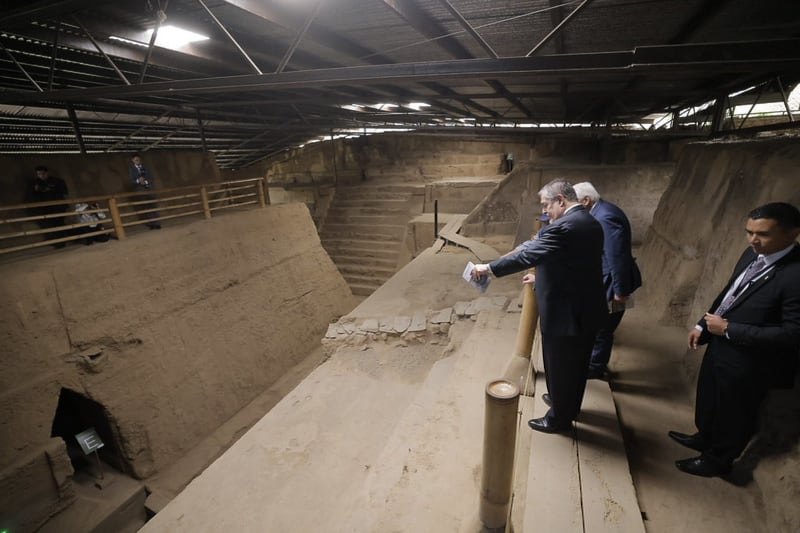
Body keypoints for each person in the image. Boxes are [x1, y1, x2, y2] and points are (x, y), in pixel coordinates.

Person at [669, 202, 800, 477]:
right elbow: (730, 293)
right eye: (749, 232)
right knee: (710, 397)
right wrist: (702, 325)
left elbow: (792, 333)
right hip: (721, 343)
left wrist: (729, 329)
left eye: (763, 234)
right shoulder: (752, 253)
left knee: (734, 411)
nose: (753, 240)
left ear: (793, 233)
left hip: (753, 359)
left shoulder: (795, 273)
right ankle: (705, 437)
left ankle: (717, 460)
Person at [472, 179, 607, 433]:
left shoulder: (564, 227)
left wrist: (488, 268)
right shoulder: (590, 221)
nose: (544, 211)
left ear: (560, 200)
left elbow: (528, 256)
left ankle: (558, 418)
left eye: (546, 205)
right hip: (586, 308)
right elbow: (574, 265)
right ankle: (566, 404)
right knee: (576, 367)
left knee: (561, 367)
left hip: (567, 314)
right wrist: (540, 278)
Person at [573, 182, 642, 379]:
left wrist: (621, 290)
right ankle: (595, 363)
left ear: (586, 200)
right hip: (606, 279)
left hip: (612, 282)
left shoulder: (605, 217)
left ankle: (595, 367)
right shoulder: (600, 211)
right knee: (600, 324)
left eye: (575, 203)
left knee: (602, 327)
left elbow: (616, 256)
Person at [27, 165, 69, 248]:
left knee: (59, 224)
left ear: (47, 173)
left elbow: (64, 192)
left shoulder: (57, 181)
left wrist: (49, 190)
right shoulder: (36, 184)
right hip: (45, 209)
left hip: (58, 208)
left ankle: (61, 242)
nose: (41, 176)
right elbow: (32, 196)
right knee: (50, 226)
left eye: (42, 173)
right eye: (39, 174)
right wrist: (37, 191)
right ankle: (57, 242)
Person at [128, 154, 161, 230]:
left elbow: (151, 177)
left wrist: (145, 182)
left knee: (153, 205)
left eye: (138, 159)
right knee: (146, 207)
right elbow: (131, 181)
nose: (137, 160)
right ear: (132, 160)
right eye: (135, 159)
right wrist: (138, 181)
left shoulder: (146, 167)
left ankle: (157, 223)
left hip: (149, 189)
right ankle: (151, 224)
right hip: (140, 191)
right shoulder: (131, 169)